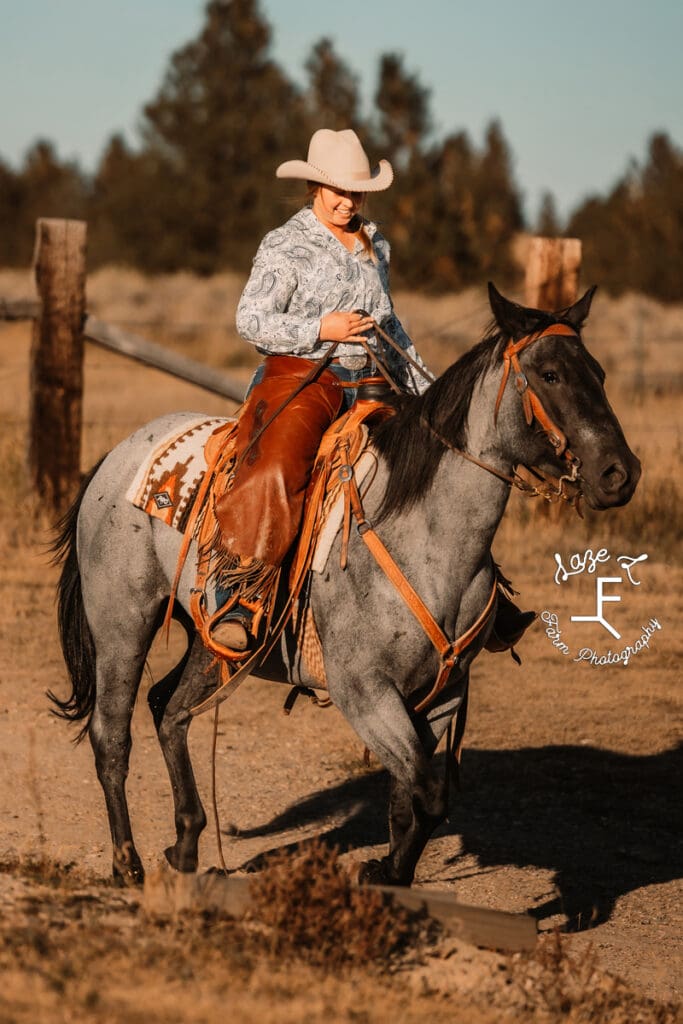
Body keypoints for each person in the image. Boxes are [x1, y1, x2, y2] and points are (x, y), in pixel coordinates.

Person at [212, 128, 534, 654]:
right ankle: (240, 597)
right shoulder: (284, 244)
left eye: (355, 191)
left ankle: (482, 597)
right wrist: (323, 328)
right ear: (315, 187)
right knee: (278, 464)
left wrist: (430, 391)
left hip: (374, 378)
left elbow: (389, 322)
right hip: (300, 377)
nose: (346, 200)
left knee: (445, 461)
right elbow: (250, 320)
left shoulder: (373, 243)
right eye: (337, 190)